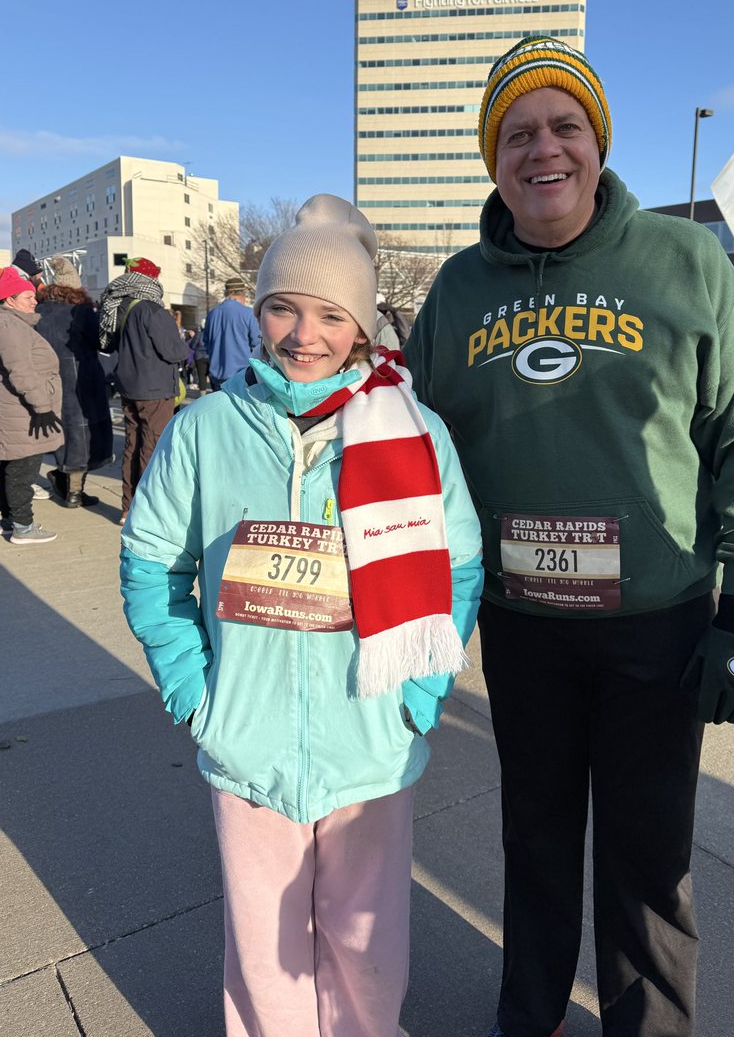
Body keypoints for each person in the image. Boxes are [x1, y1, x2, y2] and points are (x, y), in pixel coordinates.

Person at [403, 35, 734, 1037]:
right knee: (534, 838)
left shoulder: (681, 263)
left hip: (657, 624)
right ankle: (527, 1015)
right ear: (494, 159)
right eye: (519, 133)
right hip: (523, 622)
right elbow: (412, 447)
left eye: (564, 127)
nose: (545, 150)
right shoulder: (457, 291)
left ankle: (650, 1027)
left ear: (597, 142)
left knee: (647, 857)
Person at [119, 194, 483, 1037]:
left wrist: (417, 695)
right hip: (245, 737)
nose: (303, 333)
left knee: (367, 937)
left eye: (330, 314)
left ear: (360, 327)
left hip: (370, 735)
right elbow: (151, 565)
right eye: (283, 306)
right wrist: (193, 692)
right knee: (262, 942)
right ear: (259, 310)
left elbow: (457, 569)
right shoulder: (205, 429)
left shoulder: (413, 431)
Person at [98, 256, 189, 524]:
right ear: (150, 279)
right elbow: (174, 351)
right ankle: (147, 510)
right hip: (155, 388)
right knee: (154, 446)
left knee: (132, 444)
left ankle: (128, 507)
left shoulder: (117, 306)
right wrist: (182, 342)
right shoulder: (151, 309)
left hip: (129, 386)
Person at [0, 266, 63, 544]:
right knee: (22, 470)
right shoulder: (7, 325)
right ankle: (23, 527)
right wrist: (42, 406)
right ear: (9, 300)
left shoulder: (7, 322)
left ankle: (8, 521)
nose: (34, 300)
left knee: (12, 466)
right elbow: (21, 370)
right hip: (21, 410)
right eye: (28, 296)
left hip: (16, 408)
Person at [35, 257, 113, 507]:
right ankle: (75, 492)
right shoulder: (81, 312)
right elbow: (101, 343)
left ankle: (68, 486)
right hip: (82, 379)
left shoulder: (39, 312)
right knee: (84, 433)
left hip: (50, 381)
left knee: (64, 432)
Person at [204, 276, 261, 389]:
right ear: (242, 293)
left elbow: (206, 343)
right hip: (241, 375)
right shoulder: (248, 313)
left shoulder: (212, 314)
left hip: (216, 375)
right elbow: (257, 343)